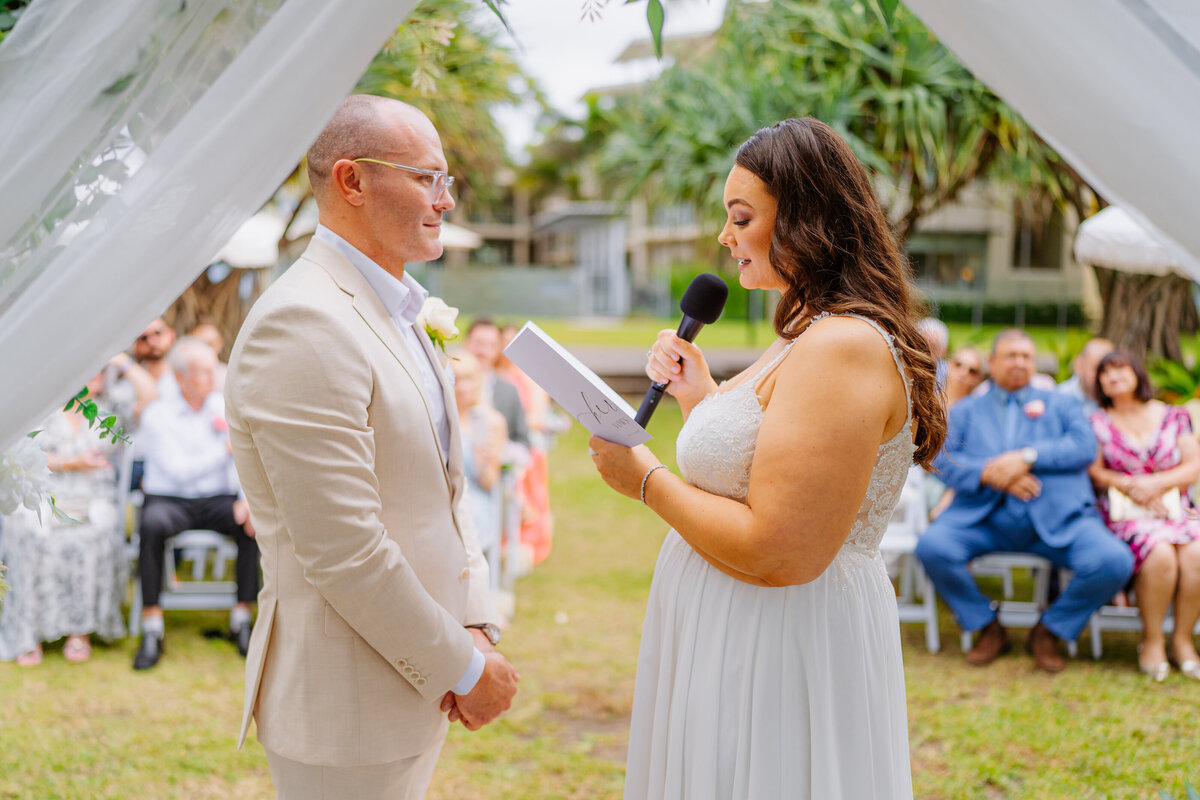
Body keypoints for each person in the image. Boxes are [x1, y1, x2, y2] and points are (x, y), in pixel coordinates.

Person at [590, 118, 946, 799]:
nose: (725, 237)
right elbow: (768, 466)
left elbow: (783, 550)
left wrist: (645, 481)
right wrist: (702, 397)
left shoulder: (842, 345)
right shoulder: (805, 330)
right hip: (732, 625)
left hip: (782, 639)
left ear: (806, 219)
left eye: (742, 217)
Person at [225, 95, 516, 800]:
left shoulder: (403, 307)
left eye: (446, 179)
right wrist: (464, 670)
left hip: (417, 675)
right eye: (425, 178)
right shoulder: (303, 322)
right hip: (346, 704)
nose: (445, 199)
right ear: (352, 180)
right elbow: (344, 549)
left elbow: (446, 489)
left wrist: (473, 620)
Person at [915, 330, 1134, 673]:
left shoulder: (1062, 405)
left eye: (1026, 357)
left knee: (1114, 561)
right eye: (1011, 355)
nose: (1019, 362)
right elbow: (942, 460)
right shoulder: (967, 411)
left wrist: (1027, 457)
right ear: (992, 362)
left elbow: (1083, 447)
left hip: (1058, 519)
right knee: (932, 547)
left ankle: (1050, 630)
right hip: (984, 519)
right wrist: (989, 473)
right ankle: (987, 626)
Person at [132, 336, 259, 670]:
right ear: (180, 377)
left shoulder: (223, 408)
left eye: (212, 370)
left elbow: (245, 458)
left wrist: (245, 498)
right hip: (170, 499)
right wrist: (223, 450)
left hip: (217, 498)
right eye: (204, 371)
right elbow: (177, 472)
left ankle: (242, 619)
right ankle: (151, 626)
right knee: (151, 524)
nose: (213, 377)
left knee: (251, 522)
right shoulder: (158, 414)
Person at [0, 370, 129, 665]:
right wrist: (72, 463)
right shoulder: (43, 413)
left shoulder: (106, 415)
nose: (93, 377)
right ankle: (29, 633)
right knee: (33, 531)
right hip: (45, 494)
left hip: (91, 495)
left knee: (95, 531)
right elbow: (21, 457)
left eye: (99, 372)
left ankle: (79, 631)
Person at [1086, 350, 1200, 681]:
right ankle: (1152, 640)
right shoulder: (1097, 421)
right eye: (1106, 372)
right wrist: (1130, 485)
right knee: (1160, 553)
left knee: (1196, 553)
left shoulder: (1174, 416)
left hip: (1176, 508)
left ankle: (1182, 640)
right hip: (1126, 513)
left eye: (1121, 369)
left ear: (1138, 373)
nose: (1113, 376)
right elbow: (1095, 471)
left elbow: (1193, 465)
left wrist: (1155, 484)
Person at [498, 323, 559, 566]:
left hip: (526, 446)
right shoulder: (497, 374)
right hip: (502, 443)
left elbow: (536, 415)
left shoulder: (530, 376)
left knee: (530, 496)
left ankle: (529, 543)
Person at [448, 348, 507, 582]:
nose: (462, 387)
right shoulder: (439, 419)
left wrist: (485, 460)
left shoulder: (491, 421)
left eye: (468, 379)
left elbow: (489, 481)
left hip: (475, 501)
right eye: (456, 379)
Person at [1058, 337, 1115, 416]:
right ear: (1079, 365)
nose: (1101, 377)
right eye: (1096, 369)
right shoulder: (1061, 397)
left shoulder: (1116, 398)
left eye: (1106, 371)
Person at [189, 320, 228, 393]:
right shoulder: (184, 376)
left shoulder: (227, 376)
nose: (204, 349)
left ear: (219, 343)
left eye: (208, 344)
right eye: (198, 344)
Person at [918, 316, 950, 388]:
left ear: (944, 351)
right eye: (921, 345)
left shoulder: (950, 374)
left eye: (933, 347)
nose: (926, 352)